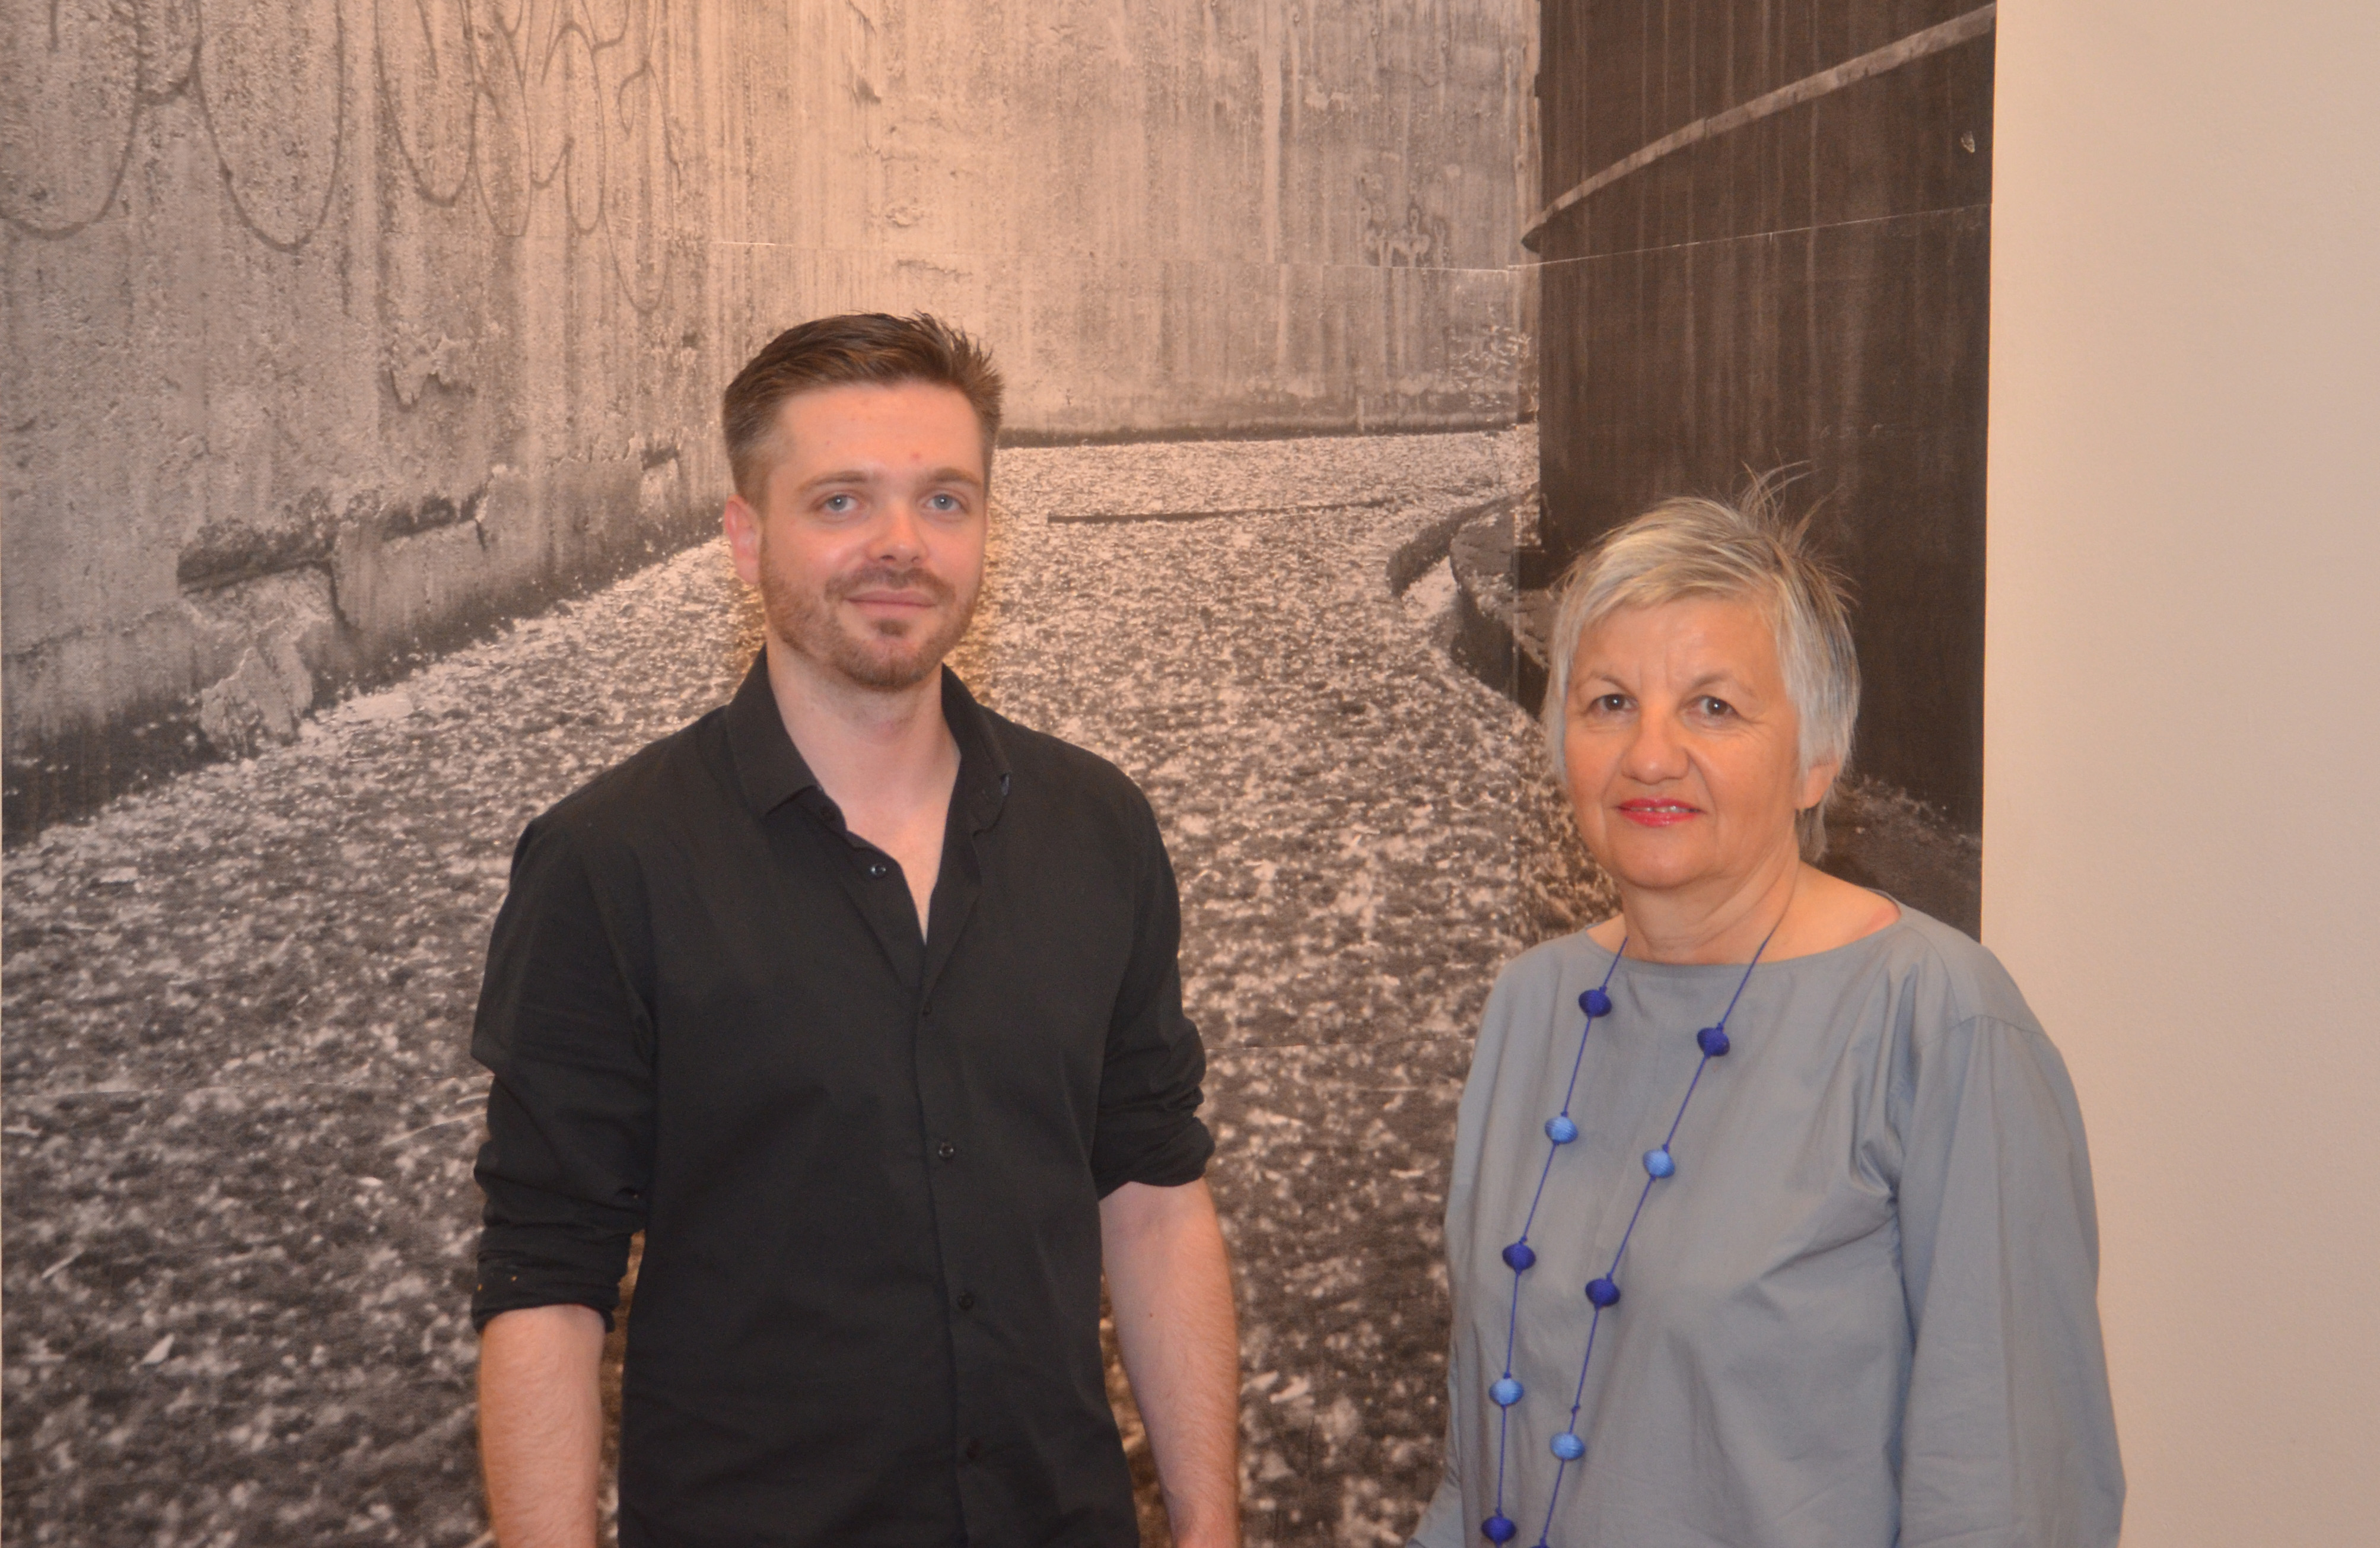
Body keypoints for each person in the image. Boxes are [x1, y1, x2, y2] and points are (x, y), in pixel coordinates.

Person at [470, 313, 1242, 1548]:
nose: (899, 544)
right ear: (743, 536)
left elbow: (1151, 1192)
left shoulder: (1097, 828)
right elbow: (543, 1281)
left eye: (944, 500)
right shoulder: (606, 863)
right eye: (839, 501)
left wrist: (1210, 1525)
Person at [1410, 491, 2123, 1548]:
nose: (1650, 753)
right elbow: (1484, 1458)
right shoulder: (1531, 1004)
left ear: (1817, 757)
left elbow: (2010, 1493)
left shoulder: (1939, 1022)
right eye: (1609, 701)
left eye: (1712, 706)